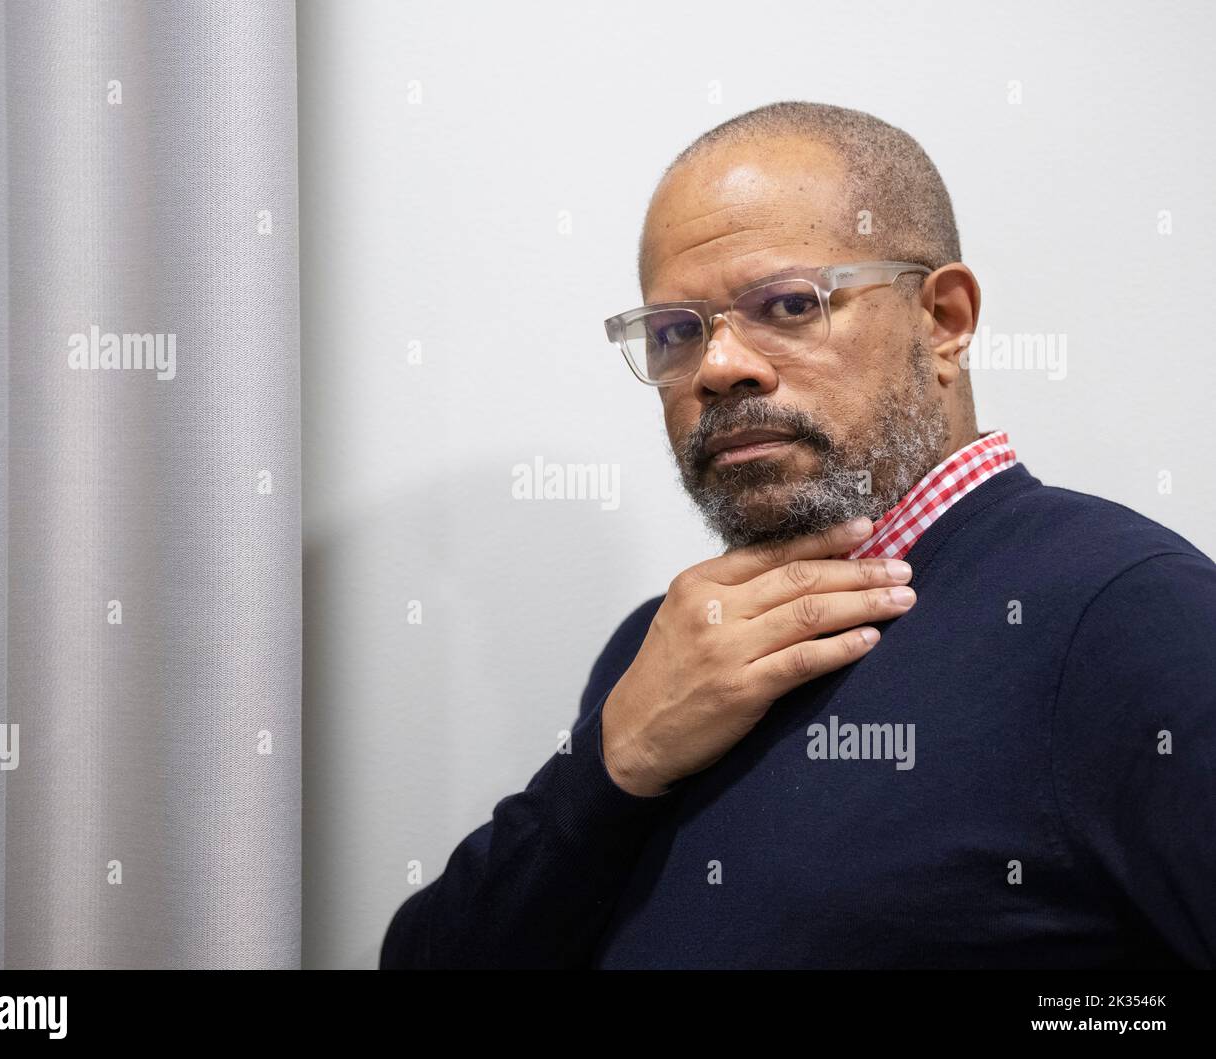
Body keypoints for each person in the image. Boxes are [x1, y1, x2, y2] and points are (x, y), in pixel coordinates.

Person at [380, 102, 1216, 969]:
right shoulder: (660, 646)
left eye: (786, 303)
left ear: (945, 321)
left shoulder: (1127, 615)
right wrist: (613, 761)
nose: (717, 366)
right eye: (675, 332)